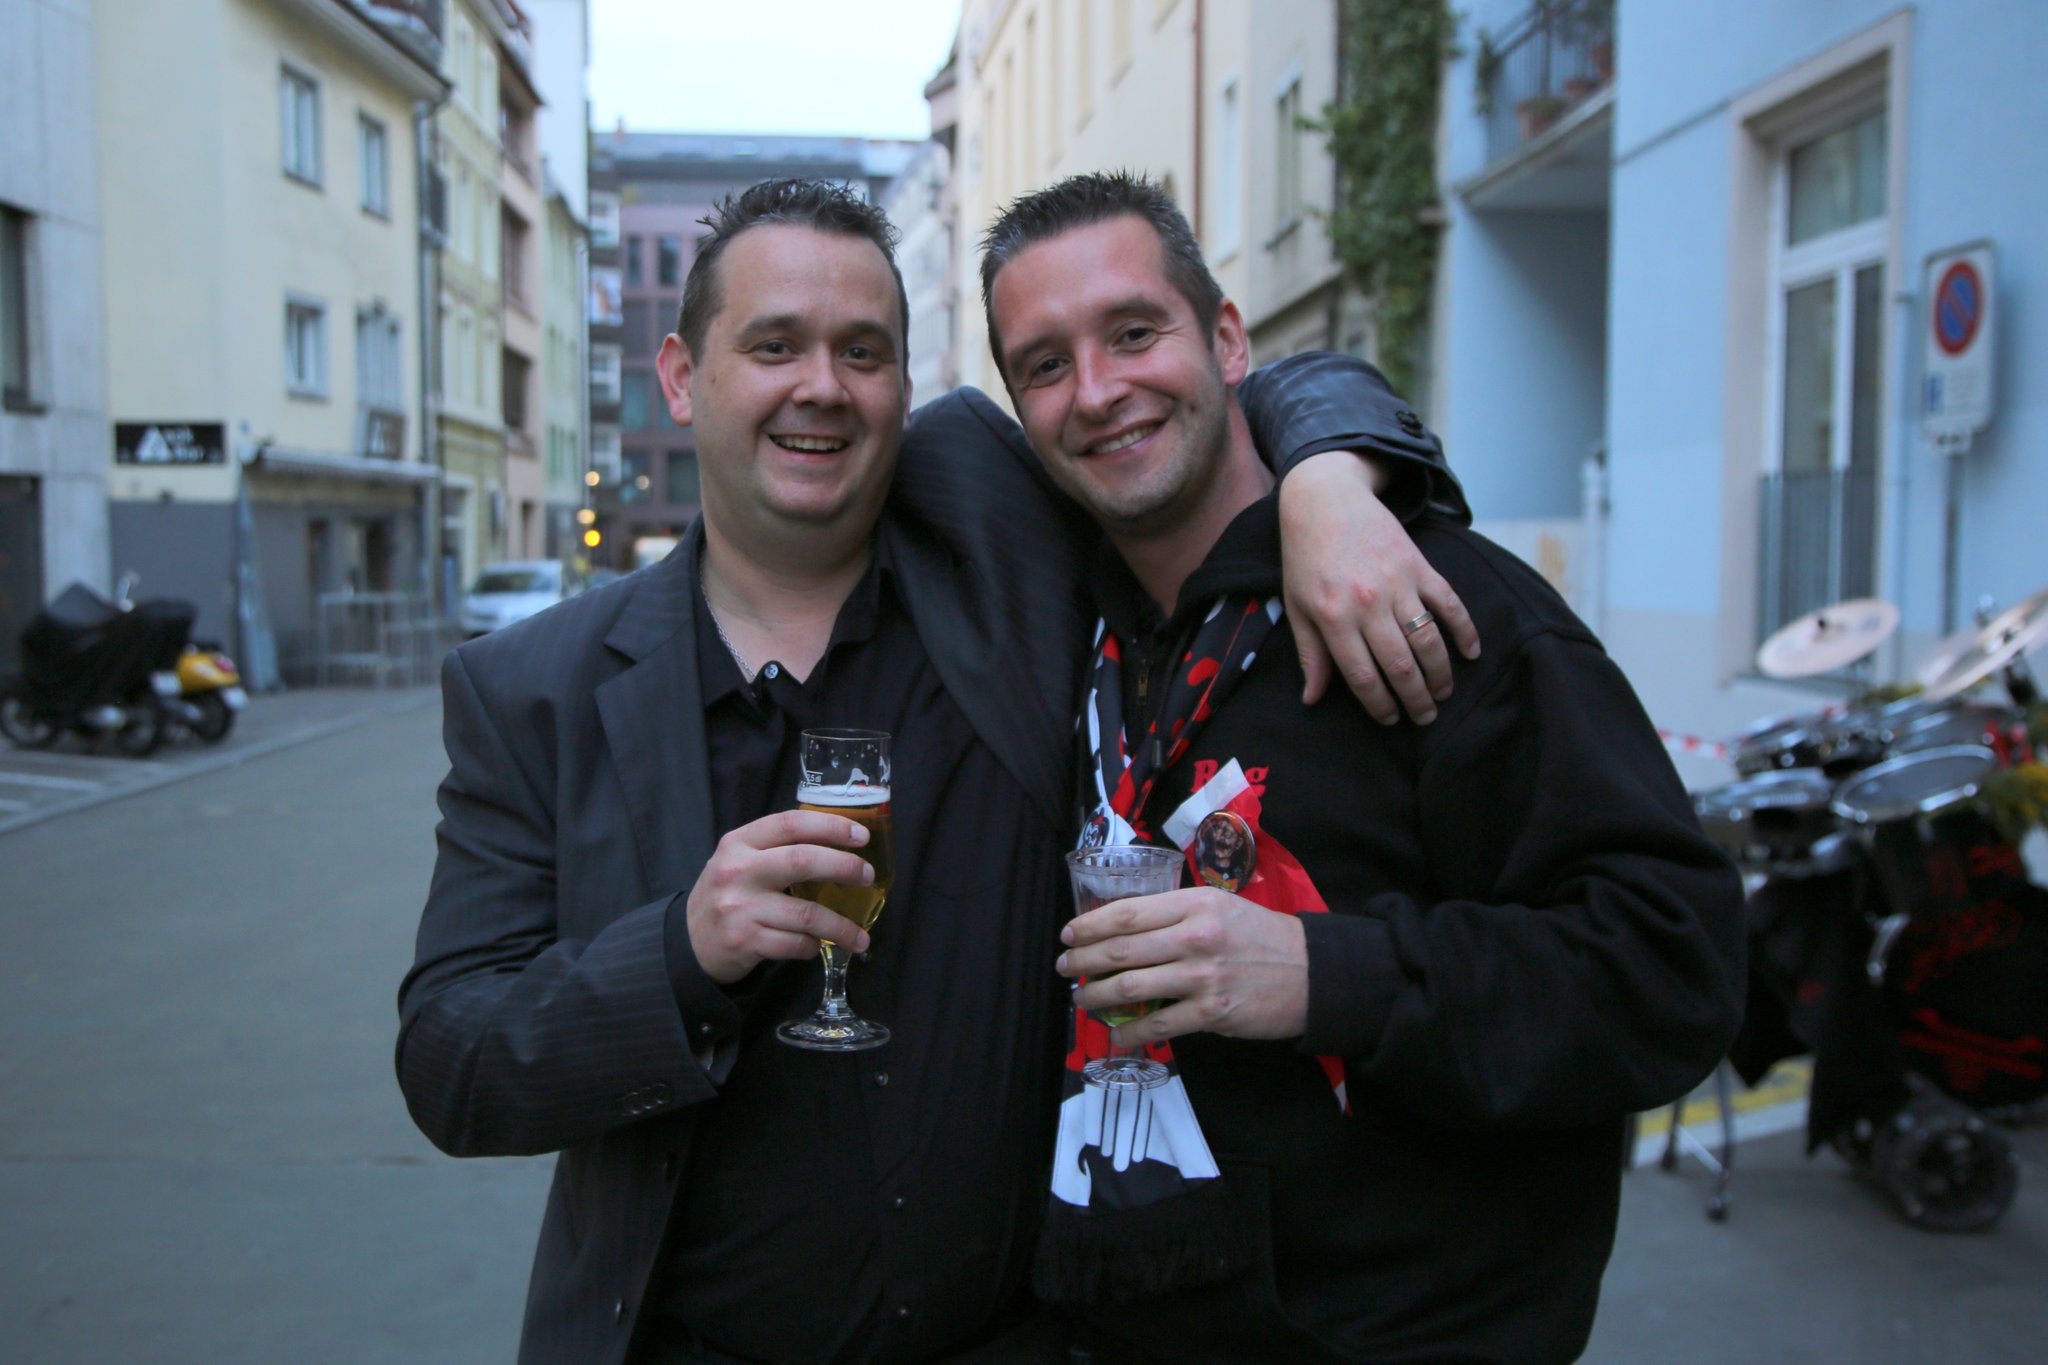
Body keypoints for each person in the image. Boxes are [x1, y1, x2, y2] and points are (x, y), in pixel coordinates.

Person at [396, 177, 1474, 1365]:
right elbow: (452, 1060)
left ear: (905, 387)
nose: (821, 386)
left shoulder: (996, 539)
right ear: (680, 375)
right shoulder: (532, 691)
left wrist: (1327, 477)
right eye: (773, 345)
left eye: (862, 351)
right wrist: (678, 955)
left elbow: (1202, 393)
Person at [979, 171, 1745, 1364]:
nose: (1095, 389)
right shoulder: (1060, 621)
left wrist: (1321, 974)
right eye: (1043, 364)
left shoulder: (1427, 600)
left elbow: (1669, 966)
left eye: (1133, 333)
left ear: (1227, 341)